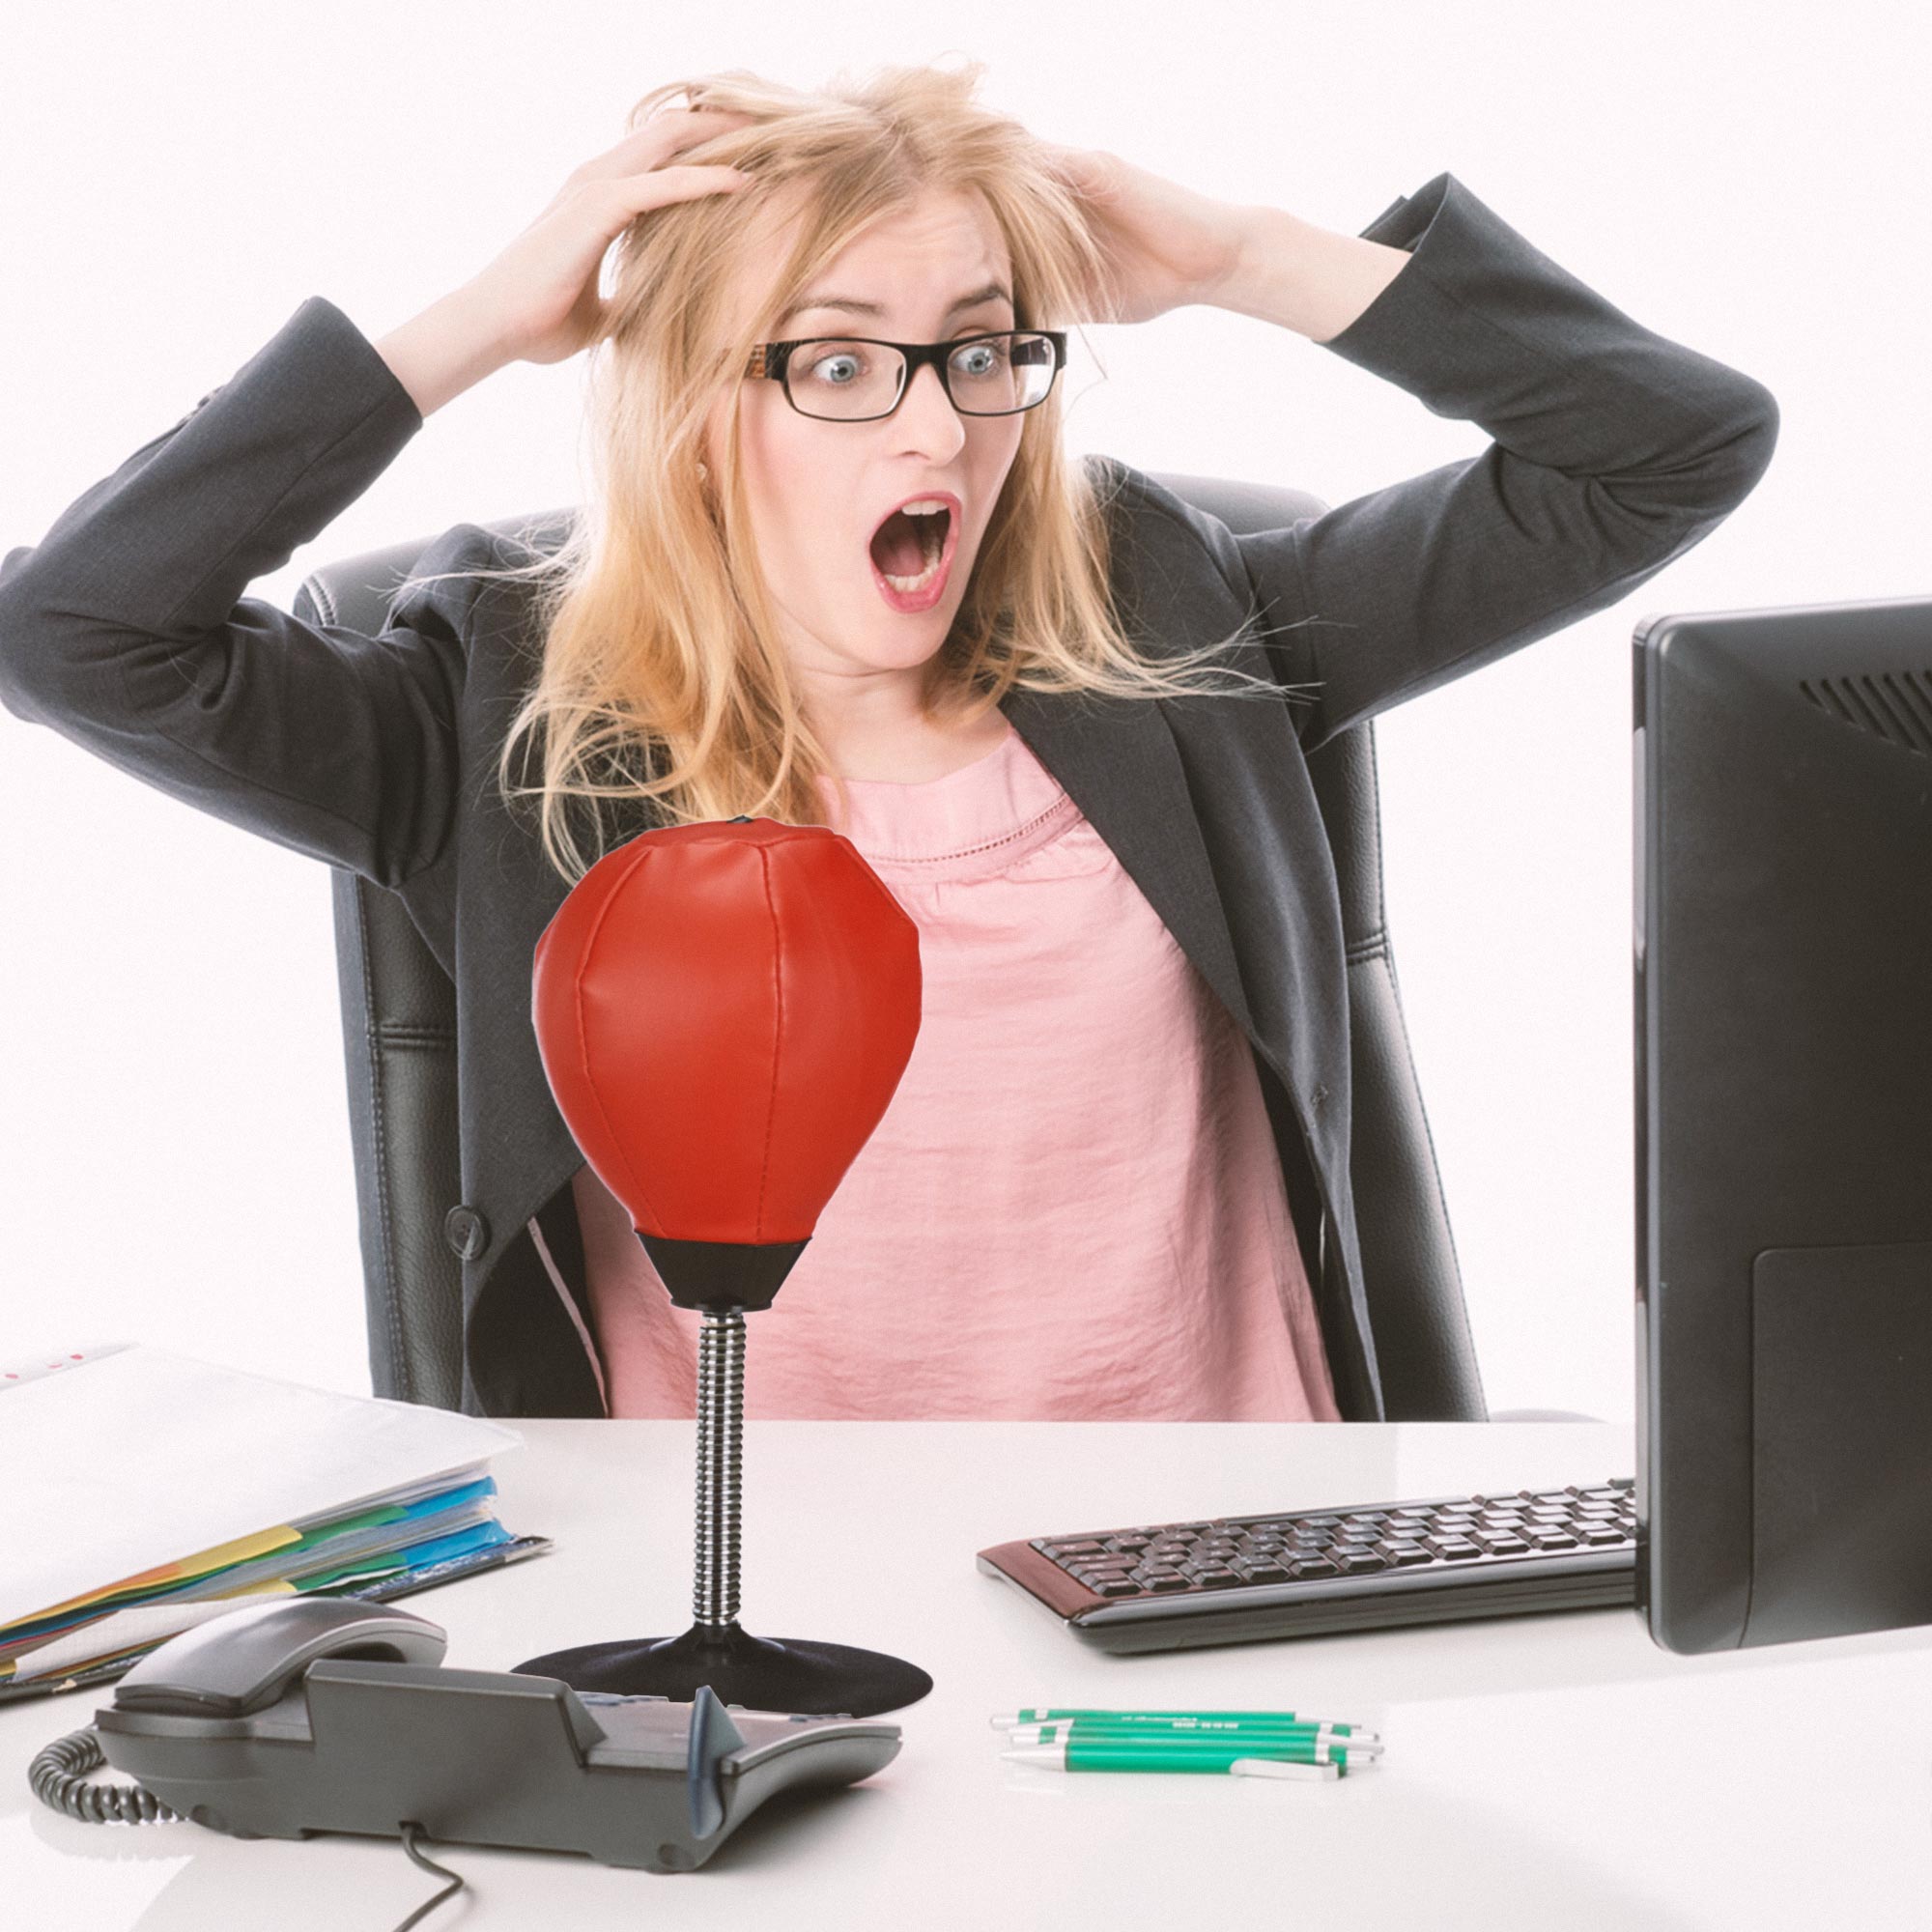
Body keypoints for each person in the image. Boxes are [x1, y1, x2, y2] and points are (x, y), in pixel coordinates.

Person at [0, 62, 1778, 1424]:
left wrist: (1243, 258)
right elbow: (76, 627)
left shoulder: (1188, 627)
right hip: (745, 1609)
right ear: (700, 415)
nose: (934, 425)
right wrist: (477, 323)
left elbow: (1671, 448)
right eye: (839, 365)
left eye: (982, 351)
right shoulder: (490, 715)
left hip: (1225, 1559)